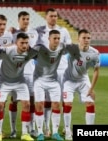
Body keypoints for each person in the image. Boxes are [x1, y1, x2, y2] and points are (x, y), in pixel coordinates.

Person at [33, 30, 78, 141]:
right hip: (39, 80)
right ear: (49, 39)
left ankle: (55, 133)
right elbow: (26, 53)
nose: (57, 40)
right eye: (55, 38)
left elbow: (76, 48)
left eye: (58, 38)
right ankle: (40, 133)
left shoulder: (62, 47)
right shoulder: (40, 49)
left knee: (56, 106)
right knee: (39, 105)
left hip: (54, 81)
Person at [0, 33, 37, 141]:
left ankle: (25, 134)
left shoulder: (30, 52)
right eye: (22, 43)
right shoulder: (8, 51)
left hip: (19, 80)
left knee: (27, 104)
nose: (24, 45)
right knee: (0, 105)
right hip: (3, 81)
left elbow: (43, 52)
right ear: (16, 43)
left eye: (26, 43)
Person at [36, 8, 72, 137]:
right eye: (51, 16)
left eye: (56, 16)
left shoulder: (64, 31)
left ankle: (65, 127)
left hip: (62, 69)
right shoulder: (39, 31)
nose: (54, 18)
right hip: (46, 71)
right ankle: (46, 128)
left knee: (63, 100)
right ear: (46, 17)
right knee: (46, 101)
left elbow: (68, 49)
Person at [63, 29, 100, 140]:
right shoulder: (70, 48)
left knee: (90, 103)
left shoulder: (95, 53)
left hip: (83, 79)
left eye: (88, 38)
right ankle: (67, 131)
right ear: (78, 38)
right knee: (68, 104)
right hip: (68, 80)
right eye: (84, 38)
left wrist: (91, 89)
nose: (86, 40)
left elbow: (96, 71)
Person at [8, 11, 39, 138]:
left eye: (27, 19)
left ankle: (31, 128)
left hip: (30, 72)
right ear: (18, 19)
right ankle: (13, 130)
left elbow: (33, 49)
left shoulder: (34, 33)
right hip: (15, 72)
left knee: (31, 101)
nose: (26, 21)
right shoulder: (11, 33)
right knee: (14, 100)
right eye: (23, 19)